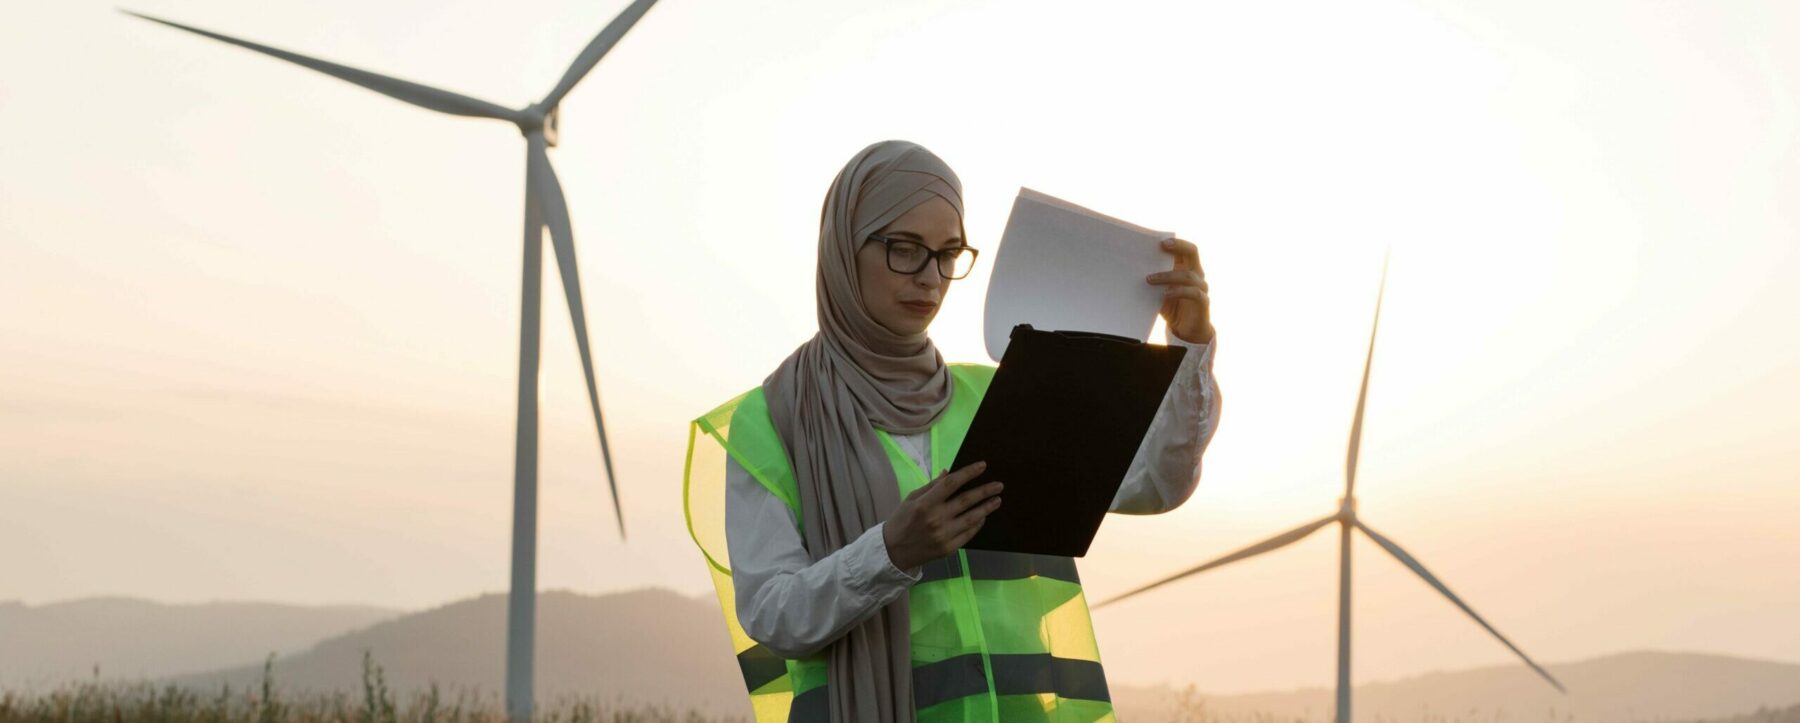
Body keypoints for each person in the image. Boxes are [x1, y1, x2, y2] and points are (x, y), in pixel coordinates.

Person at [682, 140, 1221, 723]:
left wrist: (1189, 347)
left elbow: (1152, 487)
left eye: (948, 253)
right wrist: (890, 551)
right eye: (905, 249)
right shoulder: (771, 421)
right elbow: (771, 614)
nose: (930, 277)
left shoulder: (998, 392)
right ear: (842, 247)